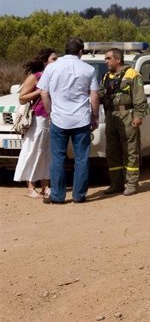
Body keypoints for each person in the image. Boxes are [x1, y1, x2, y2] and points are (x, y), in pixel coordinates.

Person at [39, 38, 100, 204]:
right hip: (81, 119)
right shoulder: (88, 69)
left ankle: (57, 196)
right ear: (80, 52)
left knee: (57, 158)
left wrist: (51, 112)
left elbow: (44, 93)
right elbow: (94, 95)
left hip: (59, 119)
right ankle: (79, 195)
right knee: (81, 159)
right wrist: (95, 117)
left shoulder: (52, 67)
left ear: (65, 50)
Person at [100, 48, 147, 196]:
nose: (106, 61)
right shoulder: (106, 76)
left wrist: (138, 116)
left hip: (127, 114)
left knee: (130, 150)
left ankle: (132, 182)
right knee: (112, 151)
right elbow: (101, 93)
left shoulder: (133, 75)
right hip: (110, 116)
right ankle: (116, 183)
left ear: (117, 59)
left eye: (108, 58)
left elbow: (139, 98)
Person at [13, 48, 58, 198]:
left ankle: (46, 187)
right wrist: (39, 91)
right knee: (33, 151)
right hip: (38, 119)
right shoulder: (35, 77)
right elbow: (22, 97)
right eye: (53, 59)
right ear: (45, 62)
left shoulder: (55, 76)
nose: (56, 62)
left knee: (48, 154)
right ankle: (31, 187)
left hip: (52, 119)